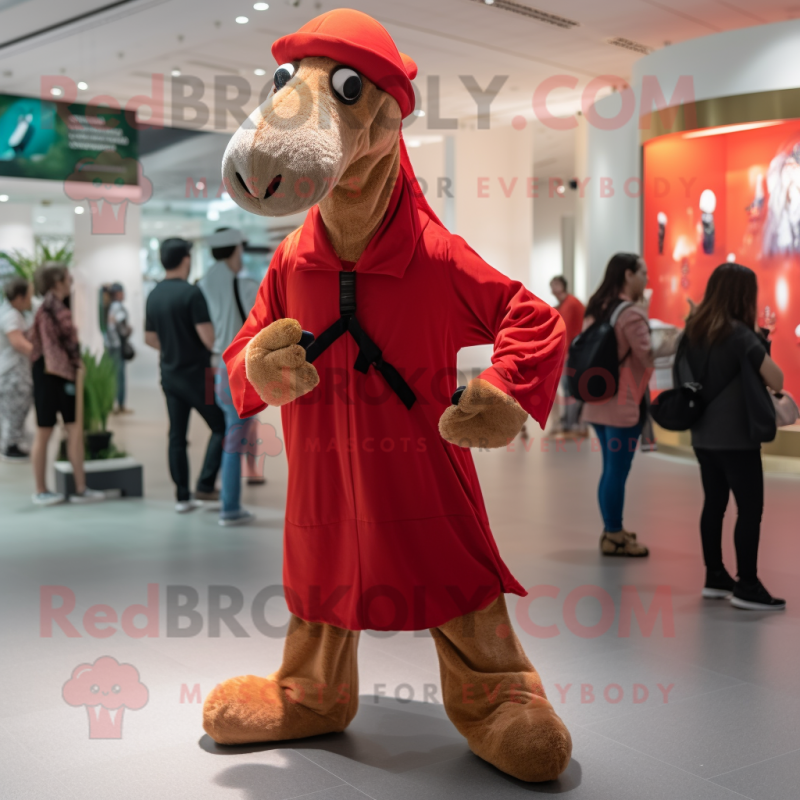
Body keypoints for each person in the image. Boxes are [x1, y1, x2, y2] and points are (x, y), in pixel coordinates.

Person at [679, 263, 785, 610]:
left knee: (714, 504)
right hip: (737, 438)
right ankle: (748, 585)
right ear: (743, 295)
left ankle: (715, 576)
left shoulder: (693, 330)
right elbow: (777, 379)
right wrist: (758, 338)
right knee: (749, 509)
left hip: (702, 435)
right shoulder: (741, 335)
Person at [581, 253, 654, 557]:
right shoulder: (631, 314)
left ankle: (613, 529)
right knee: (617, 471)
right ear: (628, 275)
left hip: (597, 400)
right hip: (623, 403)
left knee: (609, 469)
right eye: (643, 273)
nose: (646, 279)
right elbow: (647, 355)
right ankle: (613, 534)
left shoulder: (596, 307)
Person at [145, 238, 225, 512]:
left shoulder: (154, 294)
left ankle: (182, 496)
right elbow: (208, 338)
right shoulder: (192, 294)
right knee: (221, 426)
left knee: (177, 435)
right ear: (186, 260)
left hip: (169, 376)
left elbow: (149, 337)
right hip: (198, 376)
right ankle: (205, 484)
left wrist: (171, 345)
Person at [27, 265, 104, 505]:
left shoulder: (47, 308)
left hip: (50, 374)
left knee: (59, 431)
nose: (70, 281)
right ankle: (63, 489)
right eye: (67, 278)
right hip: (55, 375)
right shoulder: (55, 309)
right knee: (58, 430)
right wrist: (76, 363)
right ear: (56, 282)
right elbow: (67, 343)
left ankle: (64, 488)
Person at [199, 228, 259, 527]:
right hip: (239, 368)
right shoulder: (244, 284)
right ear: (235, 249)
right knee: (235, 439)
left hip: (217, 367)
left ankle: (230, 504)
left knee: (231, 433)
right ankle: (230, 508)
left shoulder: (204, 284)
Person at [0, 277, 34, 461]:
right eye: (29, 295)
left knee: (15, 410)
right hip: (13, 373)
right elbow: (17, 342)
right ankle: (11, 446)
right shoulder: (11, 315)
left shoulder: (12, 312)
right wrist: (41, 355)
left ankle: (12, 442)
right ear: (19, 297)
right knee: (14, 410)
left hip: (14, 371)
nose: (31, 299)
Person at [550, 275, 586, 437]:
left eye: (556, 284)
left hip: (571, 353)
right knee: (568, 388)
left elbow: (567, 331)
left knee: (570, 389)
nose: (554, 287)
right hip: (568, 353)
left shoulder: (570, 304)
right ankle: (571, 423)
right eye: (552, 285)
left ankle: (572, 424)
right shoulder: (563, 305)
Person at [104, 282, 132, 414]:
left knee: (114, 375)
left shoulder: (109, 307)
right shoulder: (117, 306)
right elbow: (121, 327)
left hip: (110, 345)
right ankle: (119, 405)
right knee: (119, 376)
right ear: (118, 293)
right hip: (117, 346)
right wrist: (128, 331)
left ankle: (115, 404)